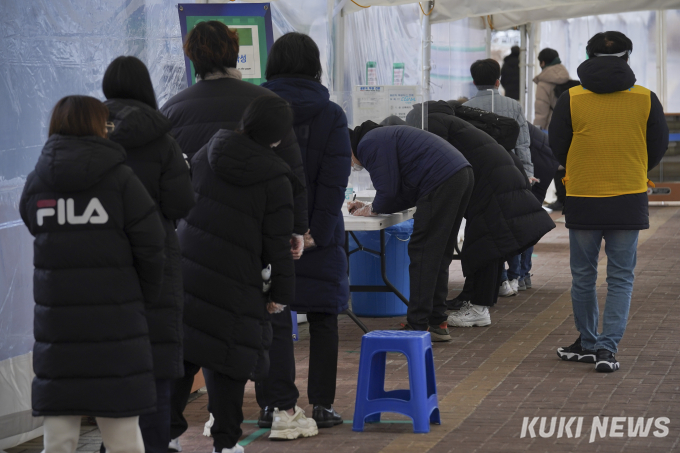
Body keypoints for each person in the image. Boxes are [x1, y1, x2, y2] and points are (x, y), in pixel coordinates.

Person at [159, 22, 313, 450]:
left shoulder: (173, 109)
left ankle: (189, 429)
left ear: (193, 57)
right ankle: (278, 405)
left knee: (191, 336)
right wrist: (295, 230)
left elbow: (166, 183)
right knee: (268, 322)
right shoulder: (267, 103)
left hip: (192, 244)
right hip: (254, 248)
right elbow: (293, 178)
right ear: (235, 52)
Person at [19, 95, 165, 453]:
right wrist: (140, 298)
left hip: (58, 330)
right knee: (123, 439)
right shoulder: (120, 179)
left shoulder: (38, 182)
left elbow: (32, 223)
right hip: (116, 327)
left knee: (59, 439)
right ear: (98, 126)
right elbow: (152, 245)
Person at [550, 31, 668, 372]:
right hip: (628, 195)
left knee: (583, 276)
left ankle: (587, 342)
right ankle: (607, 349)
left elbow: (557, 144)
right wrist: (632, 166)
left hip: (584, 194)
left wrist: (581, 166)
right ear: (628, 57)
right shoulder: (646, 98)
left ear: (588, 56)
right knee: (621, 277)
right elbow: (657, 146)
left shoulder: (572, 98)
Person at [100, 56, 195, 453]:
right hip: (156, 255)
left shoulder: (89, 134)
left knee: (107, 363)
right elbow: (180, 203)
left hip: (101, 259)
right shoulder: (163, 139)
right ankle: (154, 444)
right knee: (156, 364)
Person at [257, 32, 351, 431]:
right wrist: (318, 230)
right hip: (320, 229)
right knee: (324, 314)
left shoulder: (255, 108)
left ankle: (274, 404)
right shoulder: (330, 113)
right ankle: (323, 405)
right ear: (315, 66)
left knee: (272, 315)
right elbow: (335, 177)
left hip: (267, 232)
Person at [406, 101, 554, 325]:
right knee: (488, 245)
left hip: (492, 184)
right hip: (500, 177)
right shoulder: (454, 121)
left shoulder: (433, 124)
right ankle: (473, 301)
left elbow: (435, 165)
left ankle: (478, 310)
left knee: (485, 246)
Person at [348, 122, 474, 340]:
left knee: (423, 253)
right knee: (439, 253)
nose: (351, 165)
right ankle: (436, 321)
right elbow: (398, 191)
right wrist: (370, 207)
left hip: (441, 179)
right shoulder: (378, 138)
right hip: (460, 174)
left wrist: (372, 208)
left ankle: (417, 326)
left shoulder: (369, 144)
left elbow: (388, 192)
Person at [464, 58, 535, 297]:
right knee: (516, 224)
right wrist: (528, 173)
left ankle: (502, 279)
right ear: (498, 81)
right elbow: (523, 143)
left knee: (490, 228)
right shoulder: (513, 106)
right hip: (512, 172)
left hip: (482, 175)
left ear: (473, 81)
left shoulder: (467, 108)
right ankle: (519, 276)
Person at [533, 48, 570, 131]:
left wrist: (537, 129)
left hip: (550, 128)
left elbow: (541, 112)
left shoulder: (543, 83)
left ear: (542, 63)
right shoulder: (568, 78)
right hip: (569, 127)